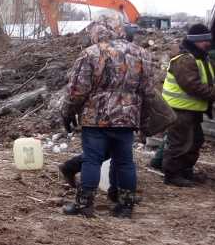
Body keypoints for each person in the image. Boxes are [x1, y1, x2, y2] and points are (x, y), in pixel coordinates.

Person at [60, 16, 154, 218]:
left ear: (97, 30)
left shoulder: (91, 54)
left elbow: (77, 90)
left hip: (96, 118)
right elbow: (148, 92)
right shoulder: (142, 54)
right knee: (125, 162)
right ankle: (126, 206)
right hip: (128, 119)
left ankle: (84, 204)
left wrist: (67, 112)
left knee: (92, 160)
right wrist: (143, 121)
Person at [159, 23, 215, 187]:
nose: (208, 43)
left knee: (195, 141)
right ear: (196, 41)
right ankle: (172, 175)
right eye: (205, 40)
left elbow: (214, 69)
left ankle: (185, 171)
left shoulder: (199, 57)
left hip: (191, 110)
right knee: (180, 143)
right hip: (179, 110)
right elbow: (192, 86)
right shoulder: (185, 60)